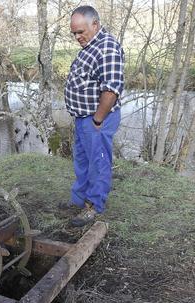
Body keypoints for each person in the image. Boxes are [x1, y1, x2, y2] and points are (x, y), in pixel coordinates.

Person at [63, 5, 125, 226]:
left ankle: (93, 207)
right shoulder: (91, 45)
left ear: (95, 24)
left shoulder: (107, 47)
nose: (77, 37)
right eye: (74, 33)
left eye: (81, 31)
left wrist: (97, 119)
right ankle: (79, 200)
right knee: (82, 160)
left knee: (98, 163)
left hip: (96, 119)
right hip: (84, 118)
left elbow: (111, 90)